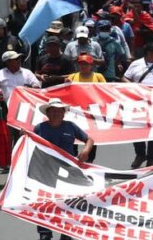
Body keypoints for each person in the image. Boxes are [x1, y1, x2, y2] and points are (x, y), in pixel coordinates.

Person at [32, 98, 94, 240]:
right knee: (45, 202)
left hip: (68, 171)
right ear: (47, 113)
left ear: (63, 113)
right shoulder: (39, 128)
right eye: (53, 111)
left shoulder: (71, 126)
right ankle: (45, 232)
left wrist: (85, 151)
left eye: (59, 111)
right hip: (45, 172)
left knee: (67, 201)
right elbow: (29, 145)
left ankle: (66, 231)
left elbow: (89, 140)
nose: (56, 113)